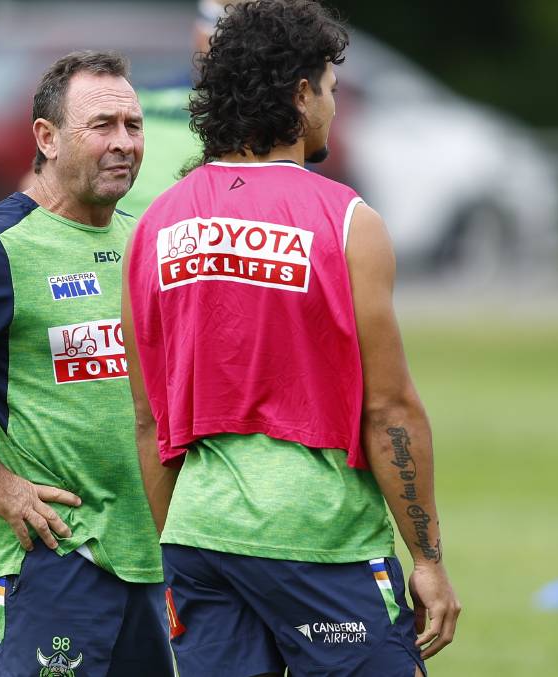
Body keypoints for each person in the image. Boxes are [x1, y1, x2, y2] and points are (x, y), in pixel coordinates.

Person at [0, 4, 234, 674]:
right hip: (49, 568)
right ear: (47, 138)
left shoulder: (141, 239)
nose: (125, 142)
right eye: (103, 125)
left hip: (145, 563)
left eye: (134, 125)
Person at [121, 1, 461, 675]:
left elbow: (147, 422)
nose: (334, 107)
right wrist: (426, 558)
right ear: (301, 94)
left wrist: (180, 548)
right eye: (331, 90)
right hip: (319, 540)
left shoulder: (152, 226)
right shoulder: (348, 222)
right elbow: (391, 409)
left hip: (198, 540)